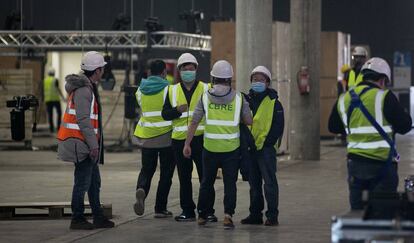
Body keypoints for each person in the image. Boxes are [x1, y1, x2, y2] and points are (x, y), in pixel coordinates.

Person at [328, 57, 412, 210]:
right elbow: (406, 125)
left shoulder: (344, 99)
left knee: (358, 213)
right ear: (382, 80)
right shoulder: (384, 97)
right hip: (383, 165)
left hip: (355, 165)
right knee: (382, 214)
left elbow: (333, 127)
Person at [183, 60, 253, 229]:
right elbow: (249, 121)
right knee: (230, 184)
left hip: (210, 148)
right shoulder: (239, 98)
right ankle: (228, 215)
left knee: (206, 182)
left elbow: (194, 122)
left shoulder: (205, 97)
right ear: (230, 78)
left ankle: (202, 214)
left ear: (213, 77)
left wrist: (187, 144)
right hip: (231, 149)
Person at [57, 51, 114, 230]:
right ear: (96, 71)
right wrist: (94, 146)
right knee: (82, 183)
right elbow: (83, 120)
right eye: (102, 69)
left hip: (83, 142)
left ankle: (98, 216)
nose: (103, 72)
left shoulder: (87, 86)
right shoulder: (83, 90)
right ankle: (77, 218)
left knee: (94, 182)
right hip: (79, 143)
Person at [162, 53, 217, 222]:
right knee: (184, 178)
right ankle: (188, 211)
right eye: (185, 69)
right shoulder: (171, 90)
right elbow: (165, 115)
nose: (188, 71)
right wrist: (177, 110)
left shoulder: (206, 89)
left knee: (205, 178)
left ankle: (207, 211)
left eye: (191, 68)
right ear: (179, 70)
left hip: (201, 139)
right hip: (179, 141)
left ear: (196, 70)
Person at [240, 66, 284, 226]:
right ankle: (255, 215)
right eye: (254, 79)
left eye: (261, 79)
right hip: (251, 149)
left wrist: (266, 143)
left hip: (266, 150)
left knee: (270, 183)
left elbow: (278, 127)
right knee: (254, 184)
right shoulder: (246, 101)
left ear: (267, 82)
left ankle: (272, 216)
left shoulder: (274, 103)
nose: (257, 82)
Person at [133, 60, 175, 218]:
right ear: (164, 72)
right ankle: (160, 208)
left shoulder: (140, 90)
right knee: (166, 173)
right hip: (166, 137)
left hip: (147, 136)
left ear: (149, 72)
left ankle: (142, 188)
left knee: (147, 169)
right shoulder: (169, 90)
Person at [44, 67, 65, 133]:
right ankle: (58, 128)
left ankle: (51, 129)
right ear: (53, 73)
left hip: (48, 100)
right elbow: (58, 89)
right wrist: (63, 97)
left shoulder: (45, 80)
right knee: (59, 113)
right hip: (55, 99)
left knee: (50, 115)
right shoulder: (55, 80)